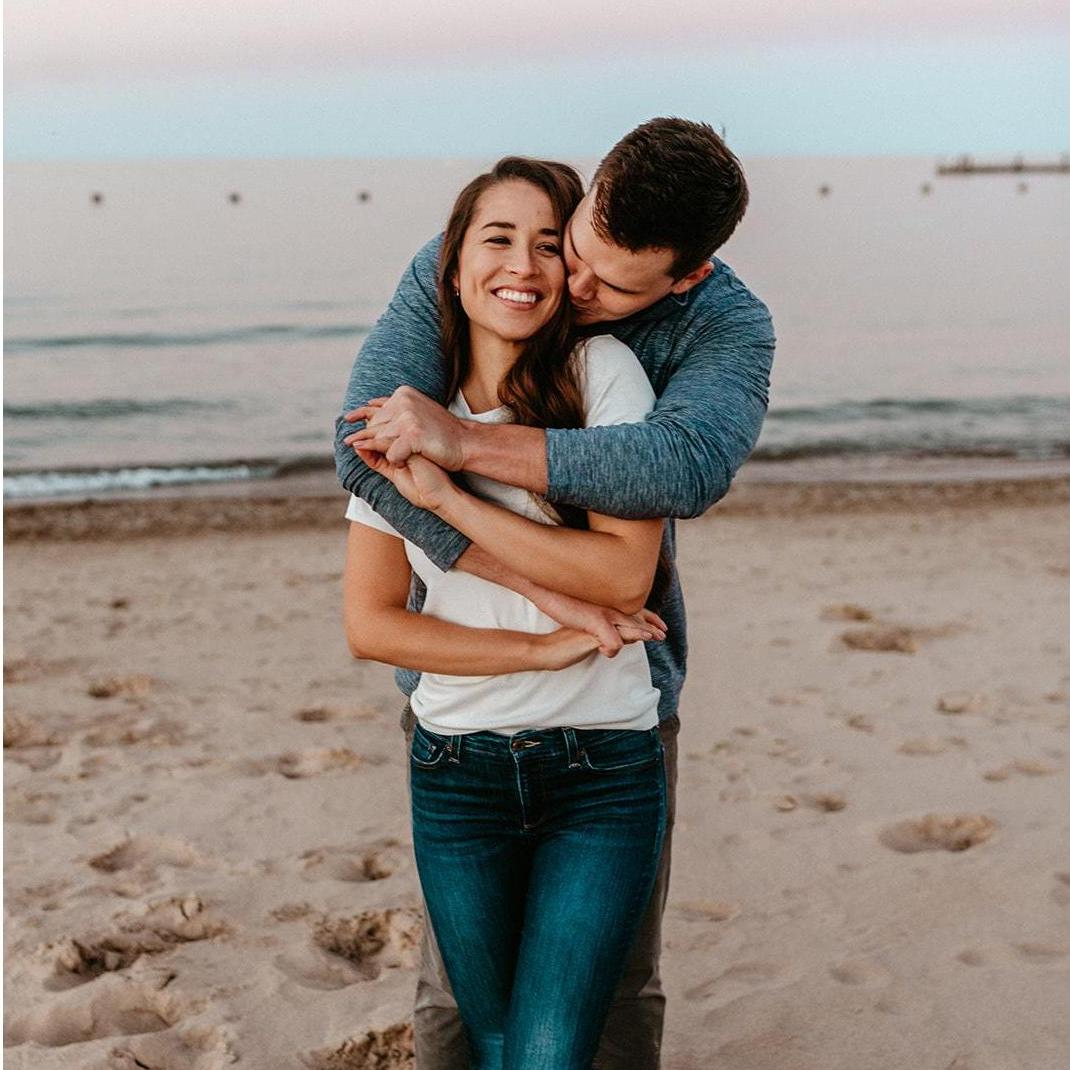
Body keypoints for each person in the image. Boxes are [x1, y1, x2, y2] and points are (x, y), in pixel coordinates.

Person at [336, 118, 775, 1070]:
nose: (565, 288)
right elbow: (362, 445)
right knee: (454, 991)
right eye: (572, 249)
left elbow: (683, 466)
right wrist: (535, 601)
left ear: (684, 277)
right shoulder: (480, 262)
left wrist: (461, 450)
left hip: (619, 691)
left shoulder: (720, 326)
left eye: (612, 284)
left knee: (619, 982)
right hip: (464, 713)